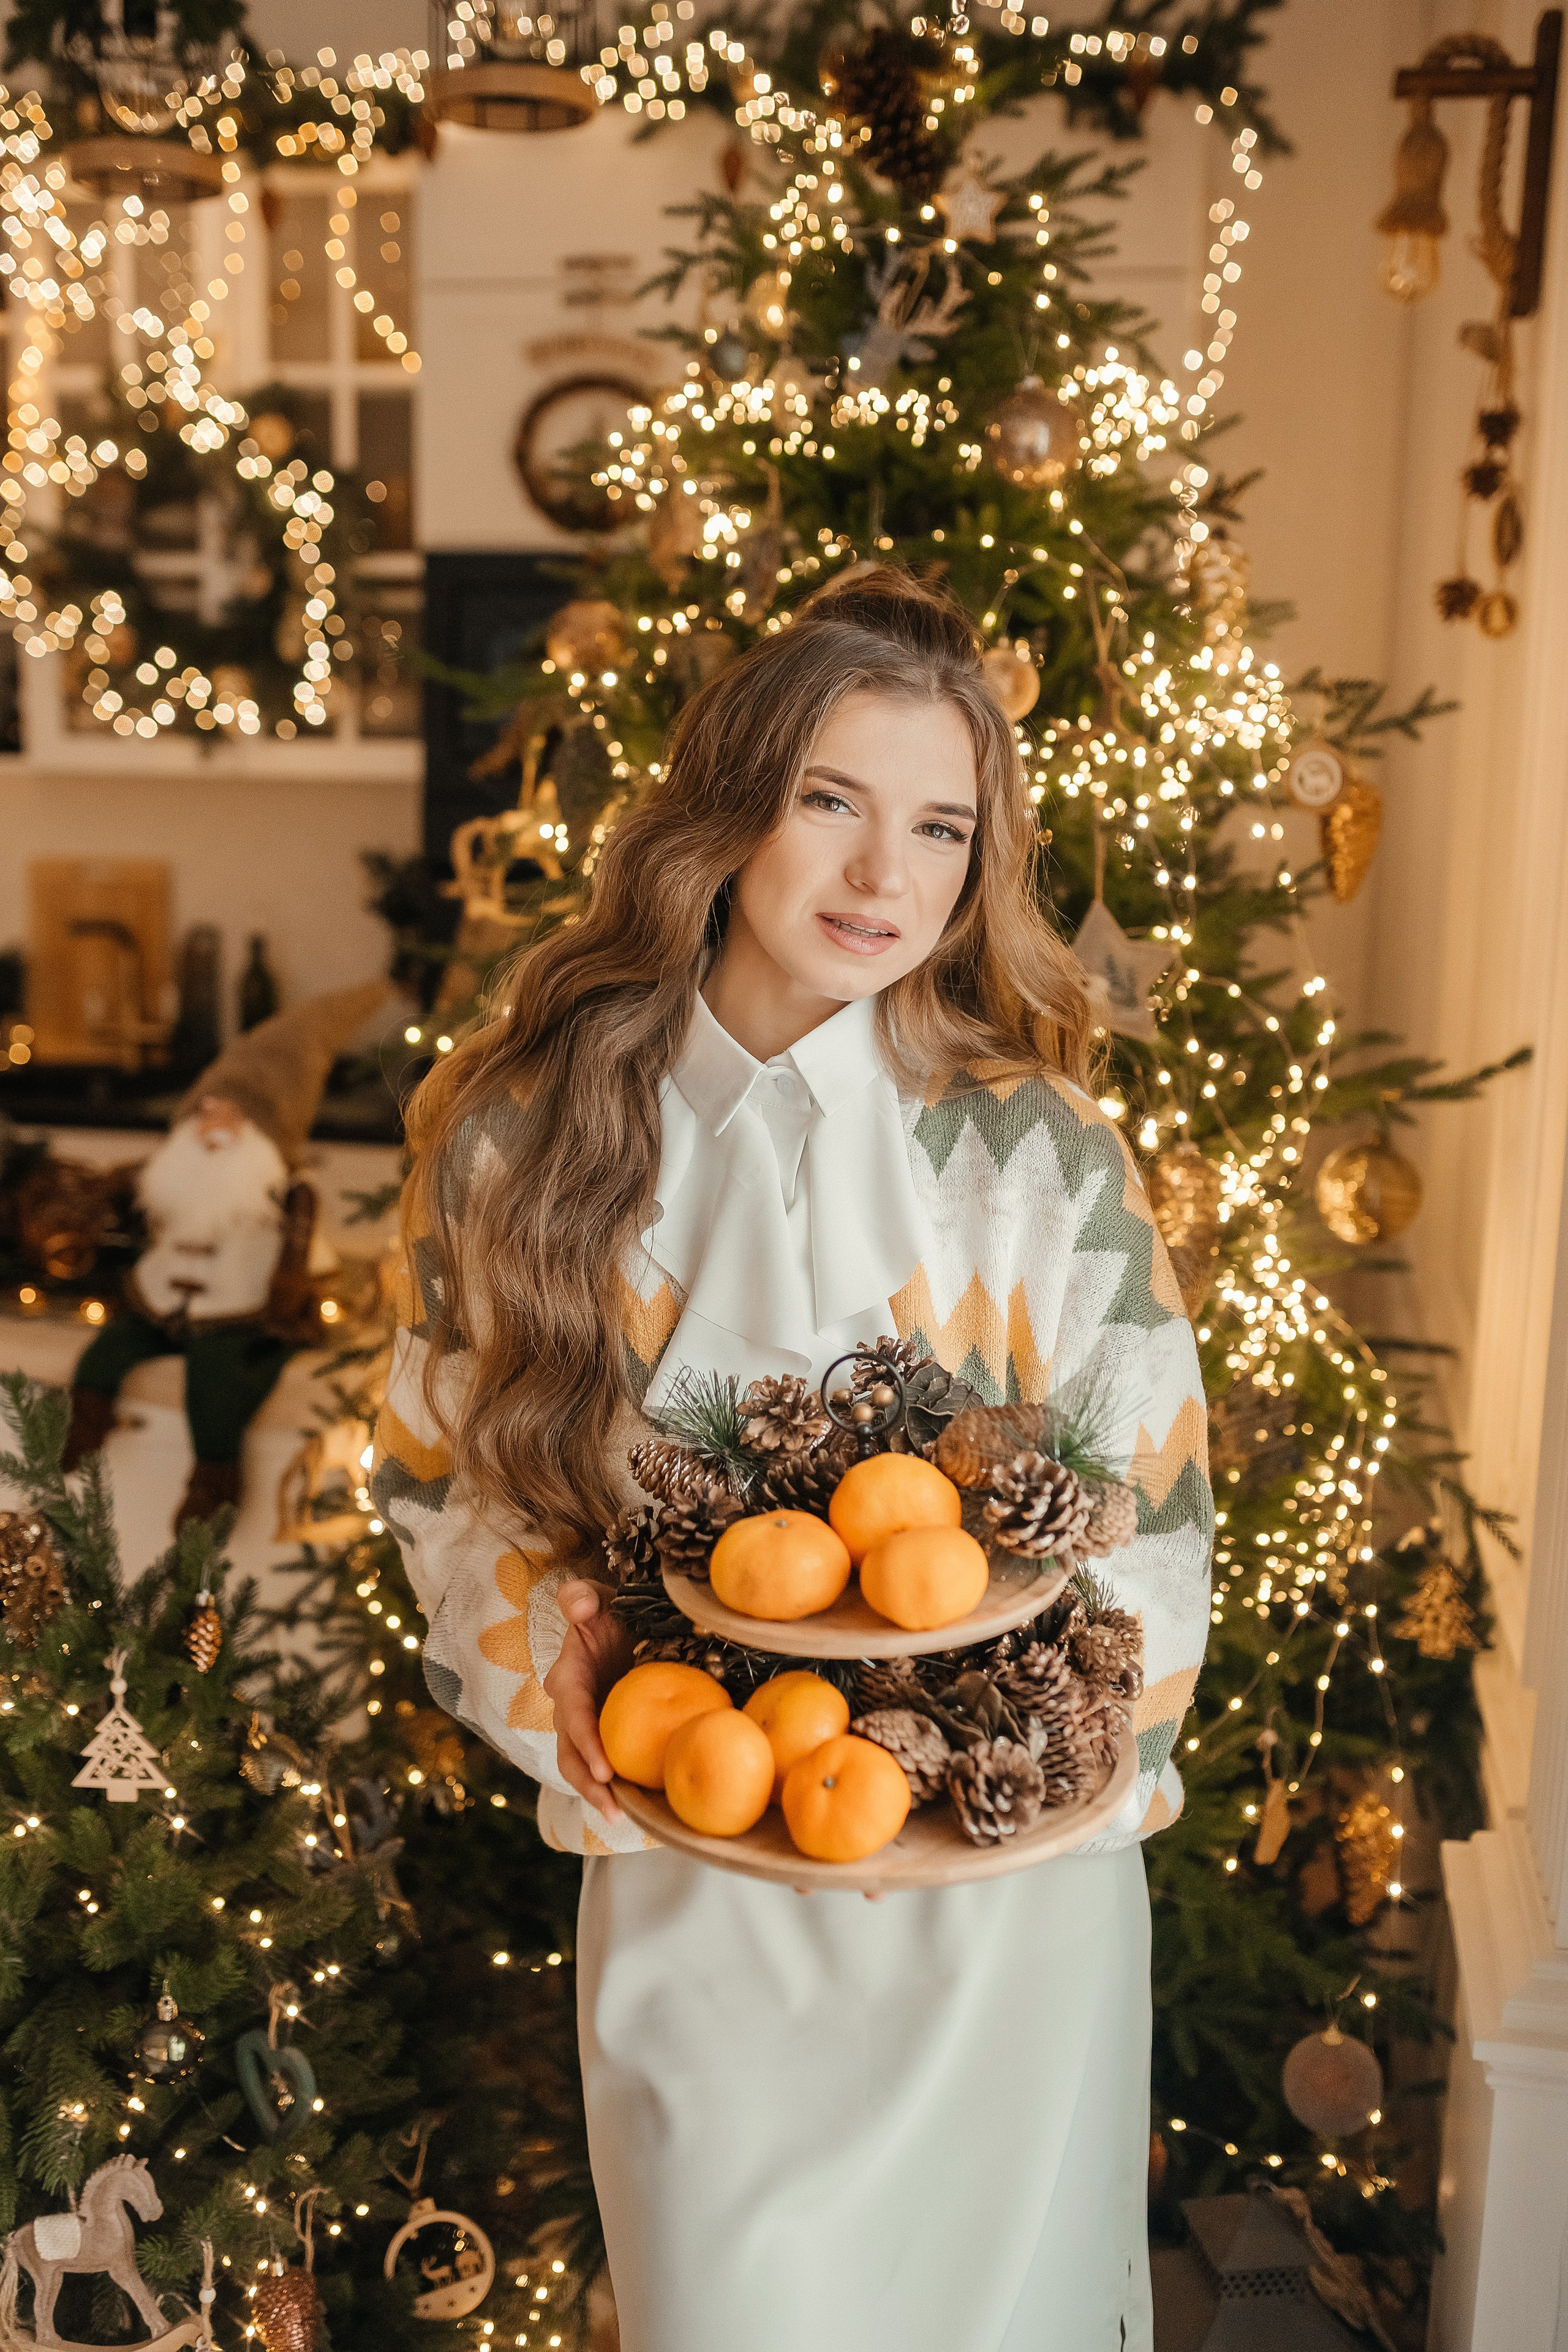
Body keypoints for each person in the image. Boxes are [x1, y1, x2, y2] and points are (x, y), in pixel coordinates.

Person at [372, 570, 1212, 2351]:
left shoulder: (1041, 1155)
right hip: (691, 1874)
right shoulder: (515, 1131)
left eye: (937, 826)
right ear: (727, 802)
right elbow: (445, 1483)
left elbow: (1156, 1523)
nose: (879, 875)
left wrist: (1027, 1769)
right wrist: (565, 1675)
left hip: (1006, 1898)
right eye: (830, 800)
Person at [64, 979, 390, 1526]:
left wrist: (289, 1293)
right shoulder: (171, 1176)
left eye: (229, 1117)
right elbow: (122, 1189)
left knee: (213, 1381)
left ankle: (215, 1476)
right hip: (167, 1297)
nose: (212, 1125)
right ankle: (82, 1428)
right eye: (205, 1111)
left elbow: (296, 1254)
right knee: (106, 1350)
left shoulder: (283, 1195)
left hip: (242, 1304)